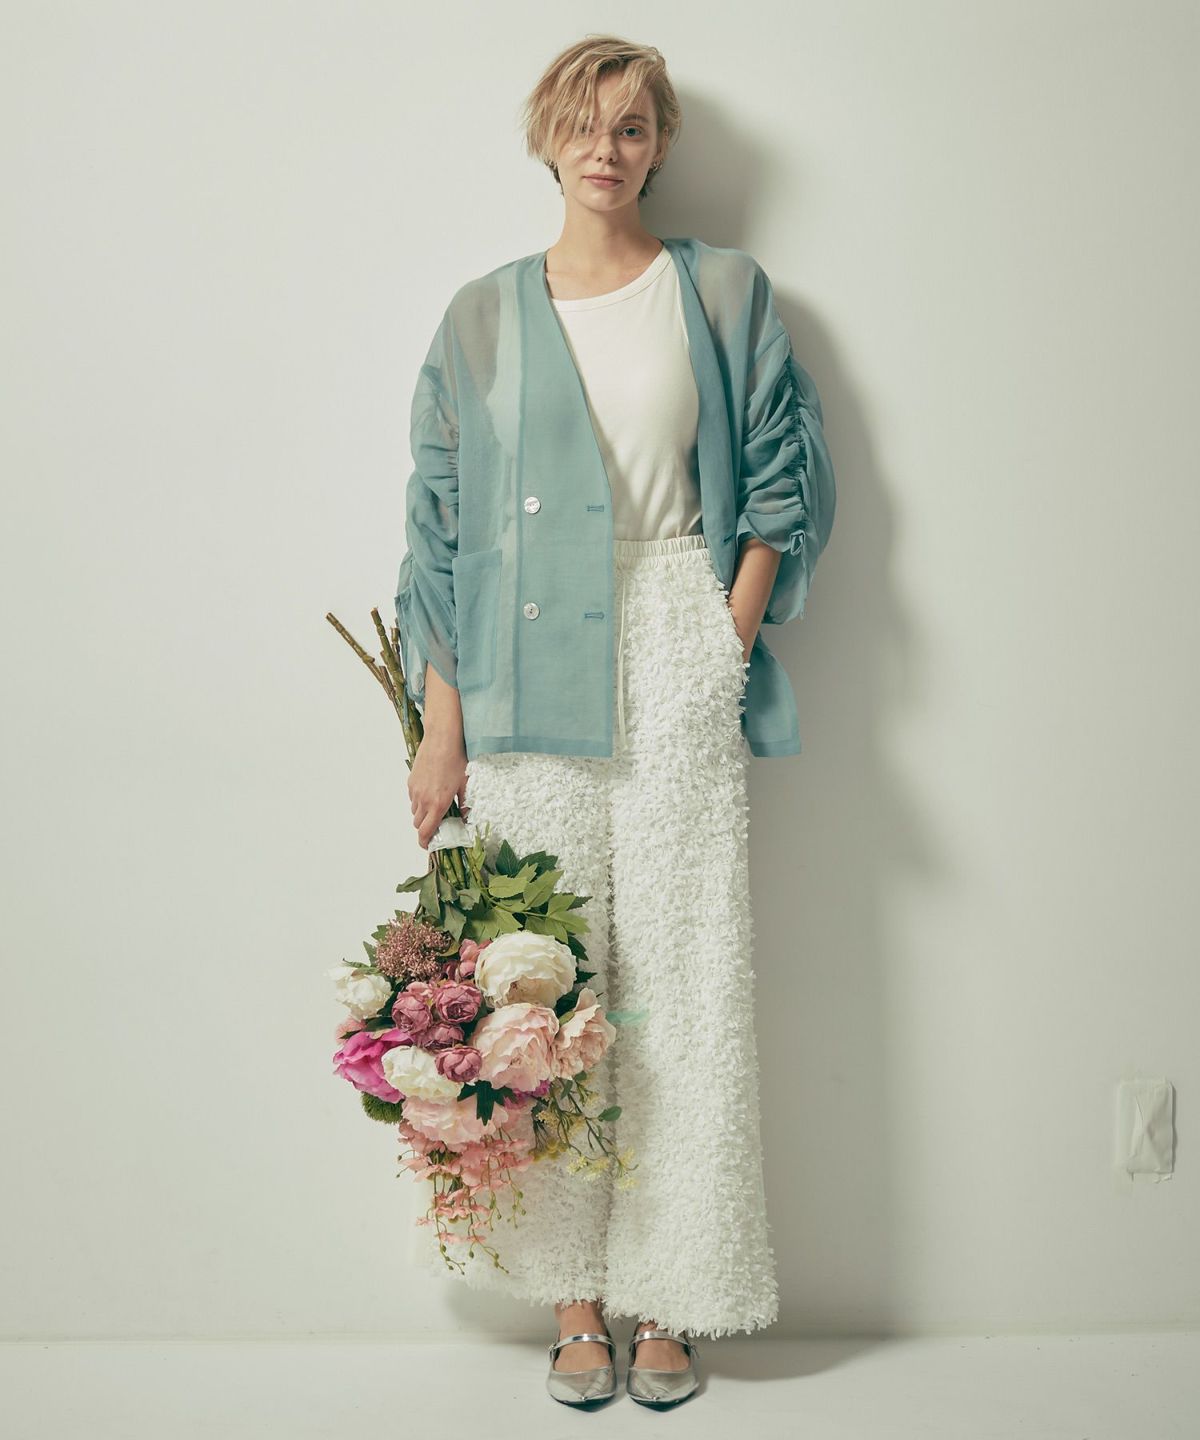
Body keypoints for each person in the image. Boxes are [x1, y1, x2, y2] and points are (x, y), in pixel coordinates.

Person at [397, 35, 836, 1410]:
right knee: (544, 980)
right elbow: (443, 535)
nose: (609, 147)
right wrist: (440, 729)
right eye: (586, 125)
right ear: (547, 137)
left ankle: (678, 1291)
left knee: (686, 978)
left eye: (634, 126)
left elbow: (781, 477)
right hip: (518, 670)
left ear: (660, 145)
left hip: (674, 630)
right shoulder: (478, 317)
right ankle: (573, 1299)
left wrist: (724, 640)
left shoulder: (723, 291)